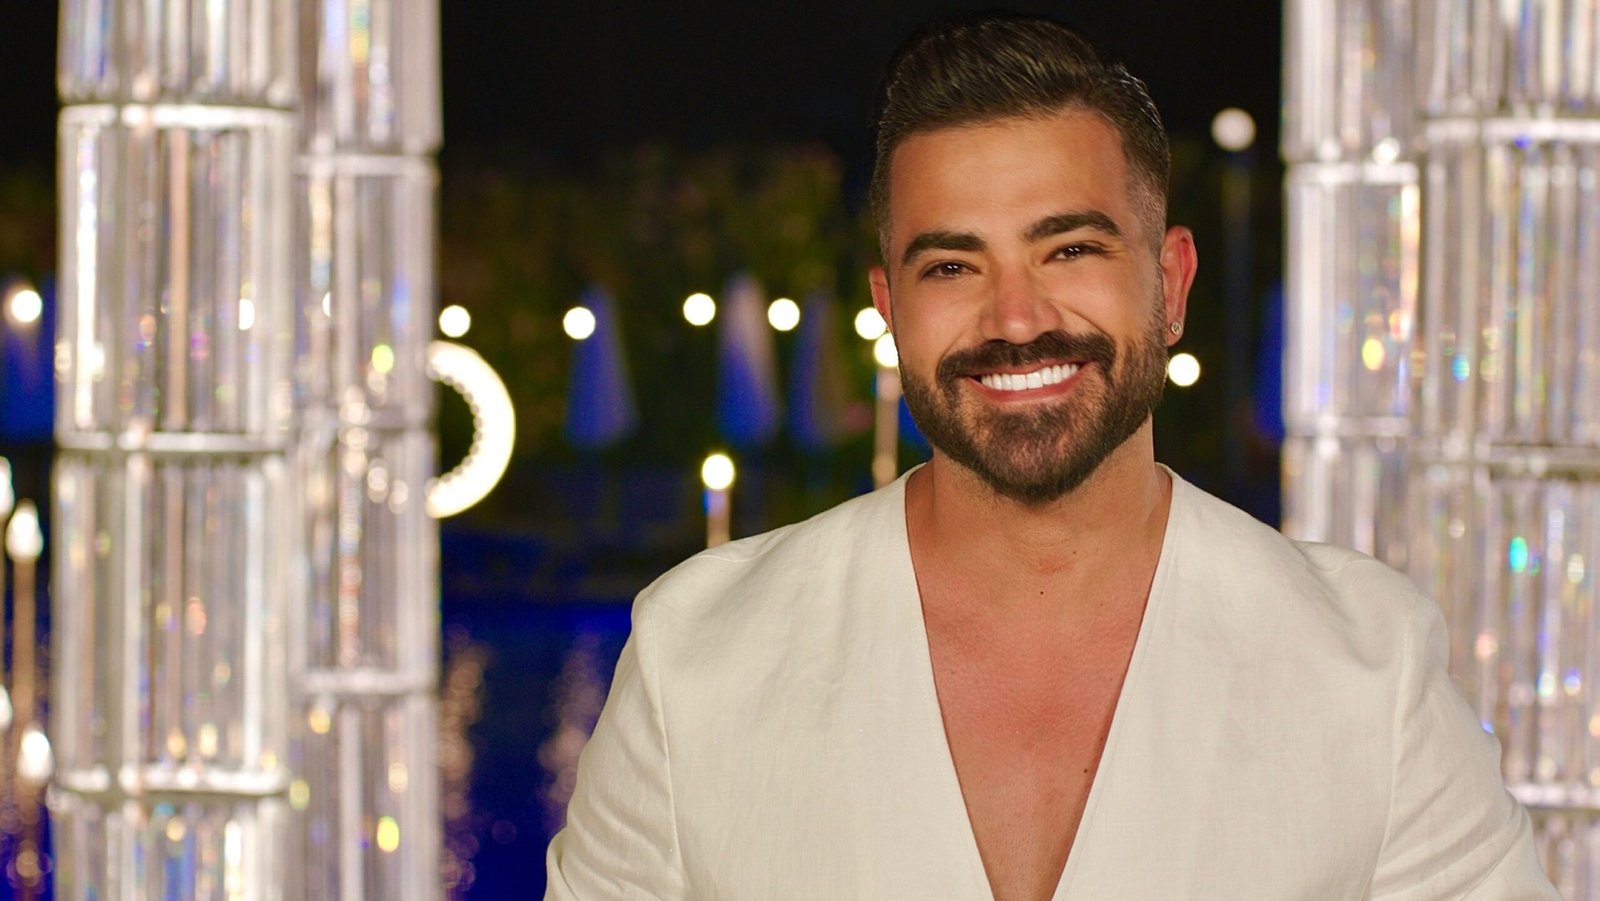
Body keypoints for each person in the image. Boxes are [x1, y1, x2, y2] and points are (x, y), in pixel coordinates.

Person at [546, 13, 1556, 900]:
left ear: (1170, 283)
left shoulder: (1369, 666)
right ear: (890, 308)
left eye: (1069, 249)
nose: (1017, 318)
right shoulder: (696, 660)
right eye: (952, 265)